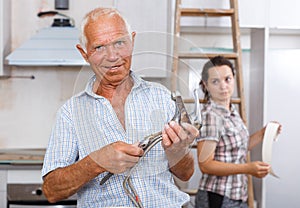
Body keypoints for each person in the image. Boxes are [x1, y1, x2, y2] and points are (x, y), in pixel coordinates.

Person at [41, 7, 199, 208]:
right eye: (99, 47)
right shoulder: (70, 114)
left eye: (119, 43)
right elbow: (51, 191)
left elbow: (186, 174)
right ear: (84, 53)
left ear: (132, 41)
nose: (112, 56)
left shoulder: (163, 98)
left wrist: (178, 151)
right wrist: (95, 162)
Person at [195, 56, 282, 208]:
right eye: (215, 81)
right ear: (206, 85)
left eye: (227, 79)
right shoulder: (211, 116)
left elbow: (238, 147)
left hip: (236, 195)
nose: (223, 86)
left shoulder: (232, 111)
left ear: (234, 79)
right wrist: (248, 168)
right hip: (218, 197)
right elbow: (206, 165)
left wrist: (263, 133)